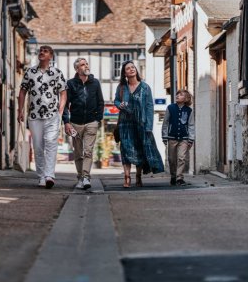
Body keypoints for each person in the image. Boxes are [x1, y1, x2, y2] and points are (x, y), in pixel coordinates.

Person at [18, 45, 67, 189]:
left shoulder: (57, 73)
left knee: (51, 144)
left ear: (51, 56)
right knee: (38, 147)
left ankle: (49, 175)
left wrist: (61, 110)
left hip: (52, 115)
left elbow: (63, 92)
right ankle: (41, 176)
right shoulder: (30, 72)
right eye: (40, 51)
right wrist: (20, 110)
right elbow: (22, 91)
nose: (41, 53)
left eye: (45, 51)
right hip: (34, 115)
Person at [114, 61, 164, 188]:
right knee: (125, 150)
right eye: (128, 68)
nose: (131, 69)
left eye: (132, 67)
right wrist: (119, 104)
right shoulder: (121, 87)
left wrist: (149, 126)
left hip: (140, 123)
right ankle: (127, 177)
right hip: (125, 124)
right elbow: (116, 100)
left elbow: (149, 107)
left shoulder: (145, 87)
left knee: (139, 150)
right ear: (124, 73)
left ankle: (138, 175)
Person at [62, 57, 104, 190]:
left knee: (88, 151)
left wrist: (98, 119)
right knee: (78, 153)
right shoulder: (71, 83)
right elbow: (65, 105)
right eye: (82, 65)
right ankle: (80, 177)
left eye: (86, 64)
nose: (86, 66)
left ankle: (86, 177)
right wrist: (67, 122)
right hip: (75, 123)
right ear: (77, 69)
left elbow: (100, 102)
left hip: (91, 122)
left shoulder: (95, 83)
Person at [161, 89, 195, 186]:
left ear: (186, 98)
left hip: (184, 138)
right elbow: (165, 123)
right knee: (172, 159)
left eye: (180, 95)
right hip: (172, 137)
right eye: (177, 94)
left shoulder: (189, 111)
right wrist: (164, 136)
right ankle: (173, 175)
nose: (177, 96)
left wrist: (191, 138)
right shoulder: (170, 108)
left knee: (181, 158)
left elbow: (191, 125)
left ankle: (179, 178)